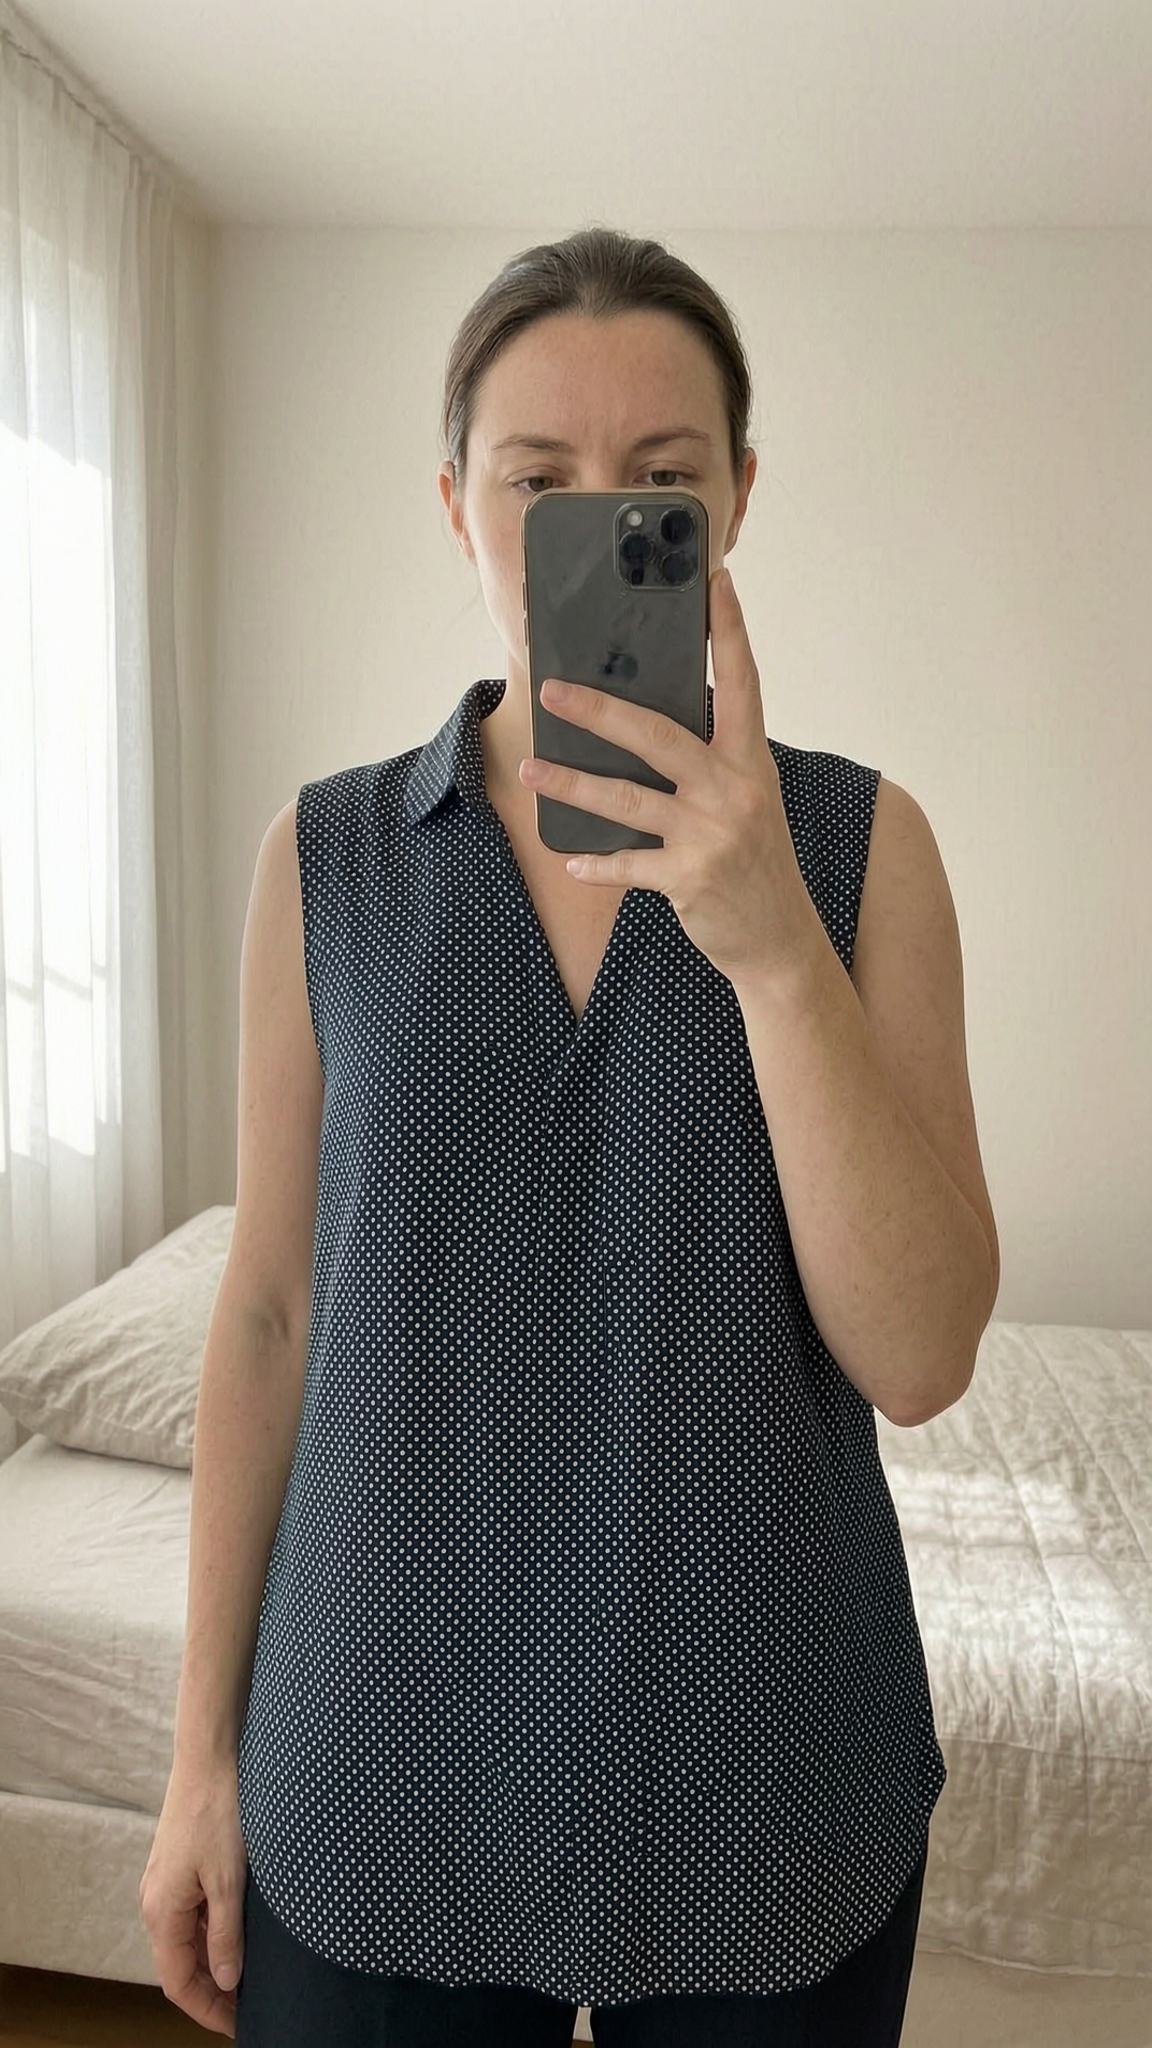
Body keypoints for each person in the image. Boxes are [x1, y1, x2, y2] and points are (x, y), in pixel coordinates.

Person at [139, 226, 1000, 2047]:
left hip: (772, 1782)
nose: (595, 525)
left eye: (659, 481)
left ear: (737, 502)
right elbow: (270, 1314)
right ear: (456, 502)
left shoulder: (867, 853)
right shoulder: (324, 861)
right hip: (371, 1776)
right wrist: (197, 1758)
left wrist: (773, 945)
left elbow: (922, 1357)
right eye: (539, 480)